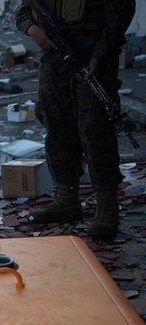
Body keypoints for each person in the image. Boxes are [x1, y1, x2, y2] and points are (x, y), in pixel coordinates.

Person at [18, 0, 135, 240]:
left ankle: (107, 207)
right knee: (57, 126)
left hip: (92, 54)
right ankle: (66, 199)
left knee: (95, 130)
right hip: (55, 56)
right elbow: (21, 12)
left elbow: (121, 12)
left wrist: (99, 55)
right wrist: (35, 31)